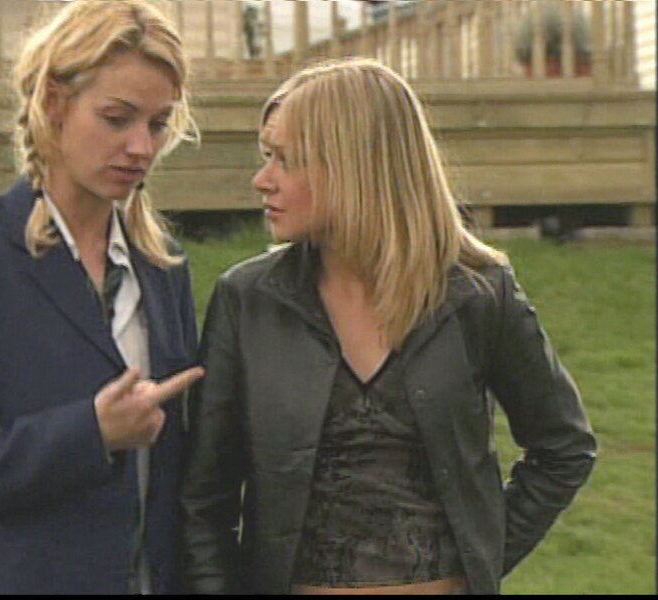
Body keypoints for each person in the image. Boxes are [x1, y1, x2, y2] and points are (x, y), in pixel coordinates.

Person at [180, 58, 596, 595]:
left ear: (354, 166)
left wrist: (481, 560)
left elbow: (562, 447)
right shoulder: (249, 301)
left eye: (286, 160)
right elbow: (204, 501)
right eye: (267, 157)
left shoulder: (478, 294)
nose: (263, 180)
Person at [0, 0, 204, 594]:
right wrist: (91, 432)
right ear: (54, 104)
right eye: (117, 118)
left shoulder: (163, 268)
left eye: (158, 124)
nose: (141, 147)